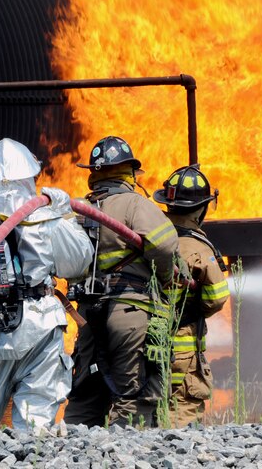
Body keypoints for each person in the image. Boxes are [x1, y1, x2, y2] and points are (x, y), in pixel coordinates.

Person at [0, 138, 94, 433]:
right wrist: (65, 215)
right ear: (31, 173)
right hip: (38, 327)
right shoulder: (43, 212)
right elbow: (79, 262)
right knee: (35, 424)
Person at [64, 135, 178, 427]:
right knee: (133, 393)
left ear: (94, 173)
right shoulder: (135, 205)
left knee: (86, 393)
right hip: (129, 311)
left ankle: (70, 453)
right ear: (129, 172)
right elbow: (165, 246)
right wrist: (164, 279)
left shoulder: (74, 211)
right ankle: (125, 455)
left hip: (88, 317)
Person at [153, 165, 229, 427]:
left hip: (140, 342)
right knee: (182, 406)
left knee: (146, 406)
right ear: (201, 208)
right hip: (181, 347)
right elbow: (217, 297)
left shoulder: (150, 236)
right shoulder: (197, 247)